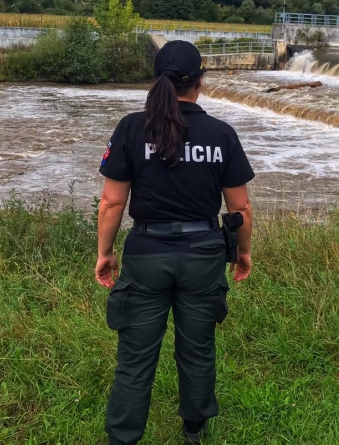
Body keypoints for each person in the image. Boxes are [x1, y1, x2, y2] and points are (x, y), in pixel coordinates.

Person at [95, 40, 254, 444]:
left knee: (135, 358)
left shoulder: (132, 127)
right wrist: (244, 253)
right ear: (200, 81)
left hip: (147, 254)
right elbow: (242, 209)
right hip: (204, 255)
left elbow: (112, 202)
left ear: (158, 80)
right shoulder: (221, 134)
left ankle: (123, 438)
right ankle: (194, 431)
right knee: (197, 349)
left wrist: (106, 253)